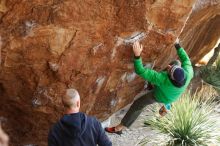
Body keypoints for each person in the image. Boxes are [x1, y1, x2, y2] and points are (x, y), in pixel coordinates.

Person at [105, 40, 193, 134]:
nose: (168, 66)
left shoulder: (162, 79)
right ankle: (167, 102)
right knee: (176, 62)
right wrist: (177, 44)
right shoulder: (189, 72)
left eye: (169, 70)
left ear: (170, 78)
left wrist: (137, 55)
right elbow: (185, 59)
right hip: (175, 94)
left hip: (161, 96)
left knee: (138, 104)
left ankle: (120, 127)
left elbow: (140, 71)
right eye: (171, 68)